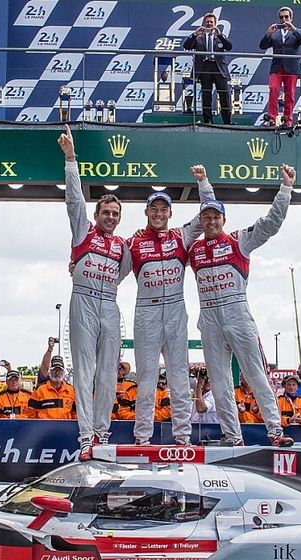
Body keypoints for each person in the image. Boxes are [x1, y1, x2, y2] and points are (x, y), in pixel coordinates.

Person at [188, 165, 298, 448]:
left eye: (216, 217)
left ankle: (274, 431)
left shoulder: (239, 240)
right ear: (201, 220)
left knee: (255, 374)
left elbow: (271, 224)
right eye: (206, 217)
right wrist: (203, 182)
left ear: (223, 220)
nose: (211, 221)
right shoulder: (194, 249)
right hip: (210, 319)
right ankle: (232, 437)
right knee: (221, 381)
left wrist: (285, 189)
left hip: (238, 315)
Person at [126, 167, 214, 447]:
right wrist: (76, 267)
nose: (159, 214)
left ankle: (182, 438)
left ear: (170, 213)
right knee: (146, 378)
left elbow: (207, 212)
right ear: (147, 213)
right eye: (154, 209)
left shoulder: (181, 236)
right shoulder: (134, 242)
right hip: (146, 311)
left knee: (178, 377)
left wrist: (203, 182)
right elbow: (110, 271)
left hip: (175, 309)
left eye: (164, 209)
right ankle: (142, 438)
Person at [58, 125, 131, 458]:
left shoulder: (122, 246)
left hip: (110, 304)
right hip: (84, 302)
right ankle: (85, 435)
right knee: (84, 370)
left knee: (107, 373)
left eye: (115, 214)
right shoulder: (83, 232)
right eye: (106, 213)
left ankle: (102, 431)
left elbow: (133, 269)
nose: (111, 217)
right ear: (98, 214)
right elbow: (74, 201)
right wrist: (71, 159)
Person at [258, 6, 301, 127]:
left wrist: (294, 29)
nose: (284, 19)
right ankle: (272, 119)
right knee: (273, 90)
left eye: (286, 17)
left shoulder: (298, 31)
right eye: (281, 17)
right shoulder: (275, 33)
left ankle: (287, 120)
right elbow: (262, 46)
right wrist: (268, 34)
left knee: (290, 93)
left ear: (291, 18)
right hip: (277, 67)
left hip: (291, 68)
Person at [182, 13, 233, 125]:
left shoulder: (220, 37)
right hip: (205, 67)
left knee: (224, 94)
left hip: (219, 68)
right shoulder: (199, 38)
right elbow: (186, 46)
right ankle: (208, 121)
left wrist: (219, 35)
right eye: (207, 22)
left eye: (211, 22)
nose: (209, 24)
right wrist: (195, 34)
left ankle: (227, 121)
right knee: (206, 94)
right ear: (204, 23)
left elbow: (229, 47)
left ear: (215, 24)